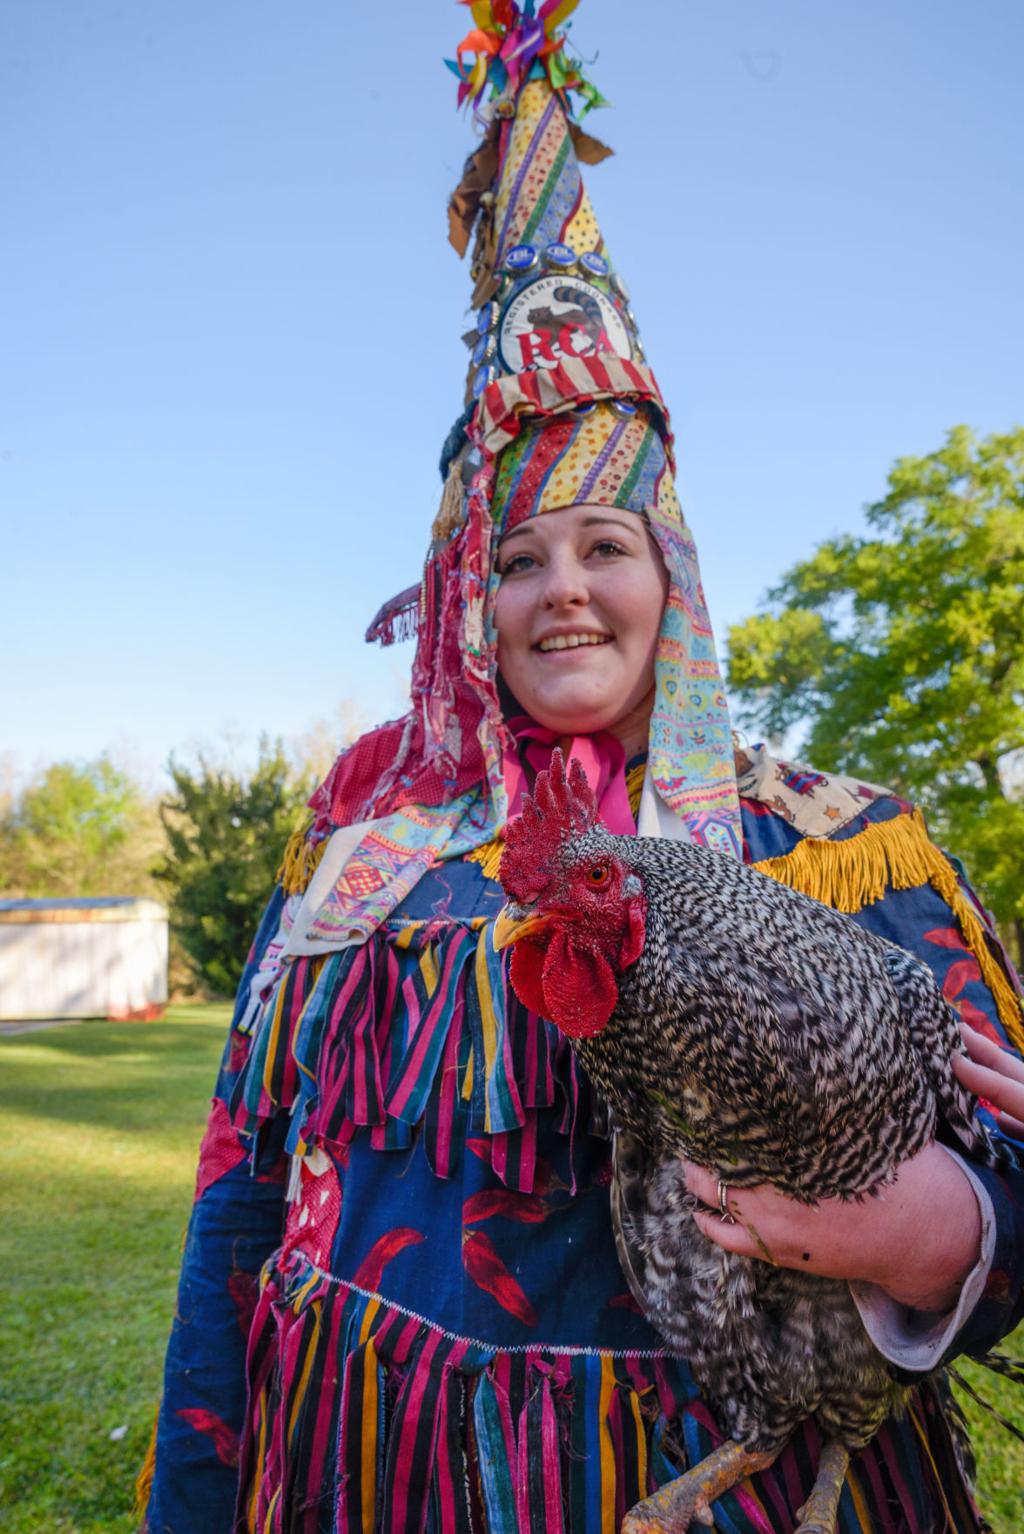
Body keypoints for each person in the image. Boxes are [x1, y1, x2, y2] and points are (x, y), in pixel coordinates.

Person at [141, 9, 1024, 1532]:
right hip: (380, 1474)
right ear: (460, 598)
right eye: (517, 555)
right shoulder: (359, 851)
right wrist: (196, 1494)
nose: (562, 590)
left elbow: (1012, 1168)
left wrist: (947, 1231)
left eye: (604, 546)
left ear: (669, 574)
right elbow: (240, 1195)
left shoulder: (848, 842)